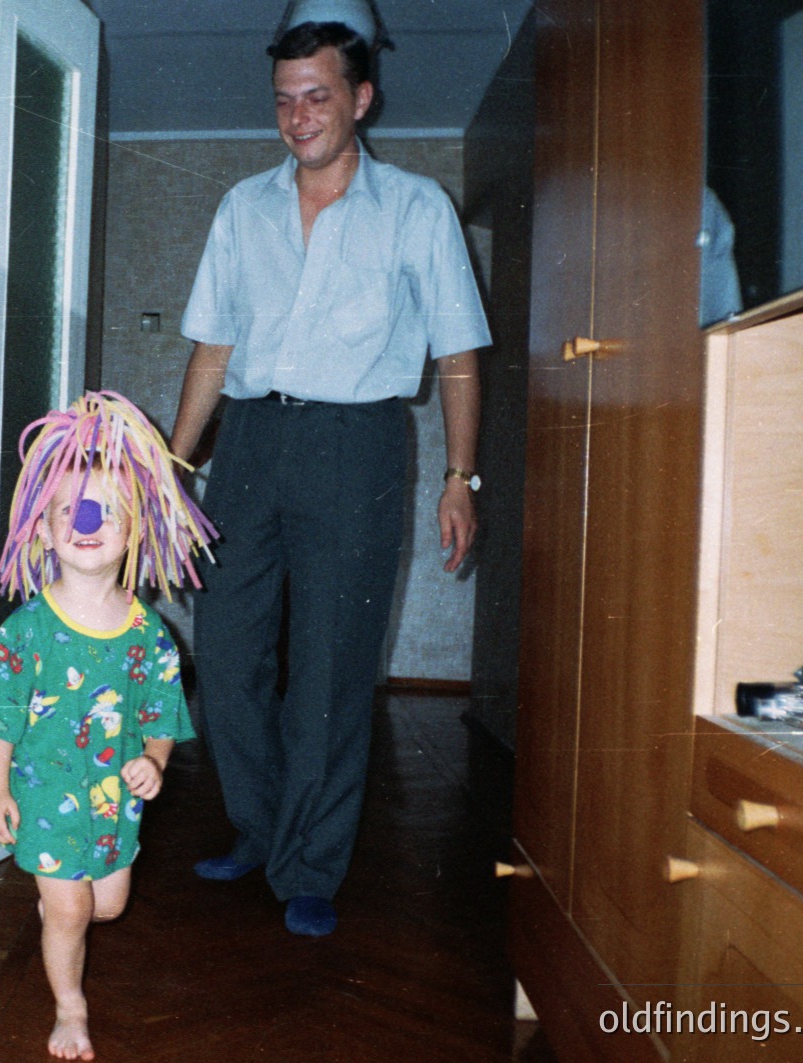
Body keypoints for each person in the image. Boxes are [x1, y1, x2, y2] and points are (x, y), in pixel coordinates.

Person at [168, 0, 490, 938]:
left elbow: (458, 355)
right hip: (250, 444)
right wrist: (173, 468)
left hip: (357, 446)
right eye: (283, 99)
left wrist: (460, 477)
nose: (297, 115)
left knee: (330, 664)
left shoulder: (417, 209)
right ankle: (261, 827)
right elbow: (213, 349)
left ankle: (309, 862)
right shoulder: (242, 208)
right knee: (227, 653)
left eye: (316, 96)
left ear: (361, 99)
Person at [0, 391, 215, 1060]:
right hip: (44, 795)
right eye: (68, 509)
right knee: (72, 909)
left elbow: (161, 713)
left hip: (111, 801)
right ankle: (69, 1009)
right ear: (44, 530)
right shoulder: (26, 630)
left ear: (135, 530)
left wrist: (154, 760)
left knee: (107, 905)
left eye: (106, 510)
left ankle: (61, 908)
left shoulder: (149, 633)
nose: (86, 521)